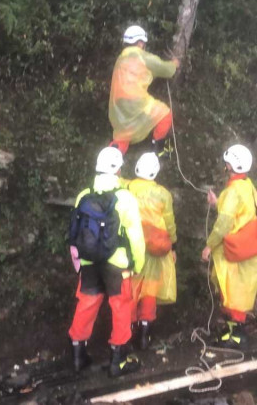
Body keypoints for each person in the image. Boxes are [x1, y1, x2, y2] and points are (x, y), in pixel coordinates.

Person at [67, 147, 146, 377]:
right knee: (120, 307)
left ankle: (77, 356)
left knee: (86, 304)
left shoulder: (83, 195)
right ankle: (117, 361)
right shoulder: (126, 198)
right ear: (119, 170)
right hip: (117, 265)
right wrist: (138, 265)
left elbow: (75, 233)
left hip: (89, 261)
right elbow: (136, 237)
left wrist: (79, 264)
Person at [201, 144, 257, 348]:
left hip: (233, 249)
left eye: (226, 163)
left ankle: (236, 335)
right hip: (248, 246)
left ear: (231, 165)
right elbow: (240, 209)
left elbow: (224, 223)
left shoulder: (232, 191)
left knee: (232, 291)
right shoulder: (249, 186)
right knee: (240, 291)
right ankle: (232, 332)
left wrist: (209, 245)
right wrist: (217, 202)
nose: (225, 166)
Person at [126, 152, 178, 350]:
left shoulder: (128, 187)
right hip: (155, 249)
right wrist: (173, 245)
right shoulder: (163, 194)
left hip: (133, 246)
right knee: (150, 290)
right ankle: (144, 336)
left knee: (131, 290)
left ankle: (127, 334)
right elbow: (170, 222)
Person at [108, 25, 179, 156]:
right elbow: (166, 70)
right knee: (165, 114)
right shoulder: (143, 56)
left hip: (117, 106)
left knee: (124, 134)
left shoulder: (120, 58)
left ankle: (110, 159)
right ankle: (157, 151)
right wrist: (174, 64)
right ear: (140, 42)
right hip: (136, 102)